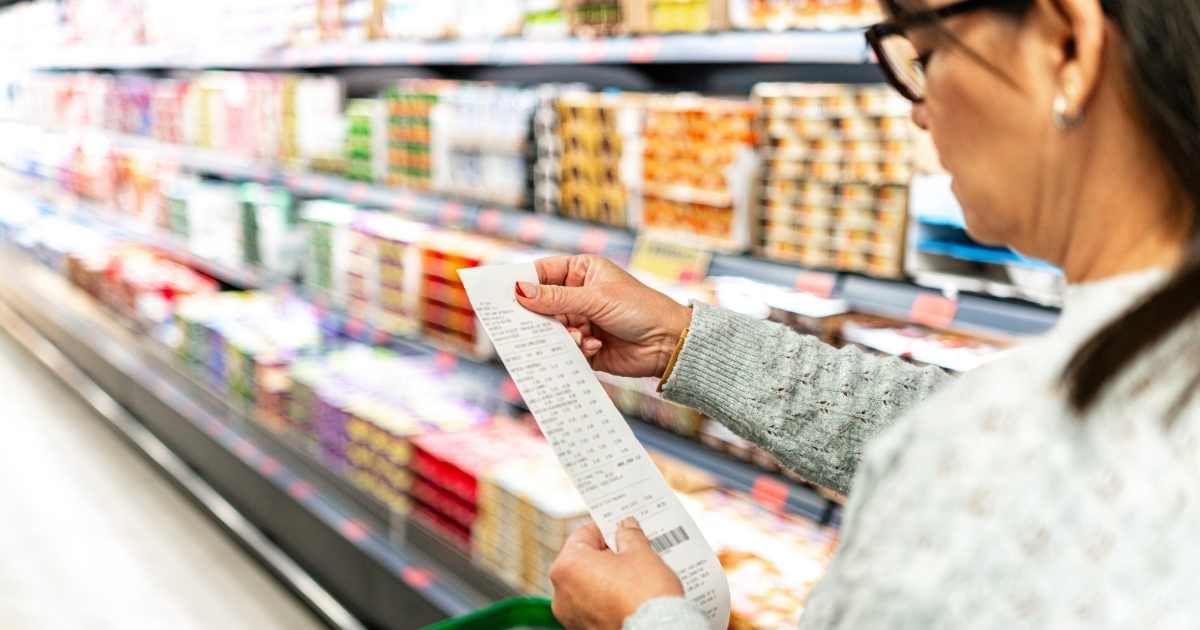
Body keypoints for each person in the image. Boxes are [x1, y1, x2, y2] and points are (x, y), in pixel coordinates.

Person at [514, 0, 1200, 628]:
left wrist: (645, 620)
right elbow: (940, 420)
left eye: (925, 57)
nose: (917, 111)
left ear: (1067, 45)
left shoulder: (1012, 437)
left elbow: (972, 443)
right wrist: (682, 340)